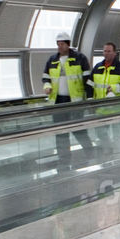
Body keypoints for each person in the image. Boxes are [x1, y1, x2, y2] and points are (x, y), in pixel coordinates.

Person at [42, 31, 92, 165]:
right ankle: (63, 159)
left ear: (68, 45)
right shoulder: (52, 60)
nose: (59, 47)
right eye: (58, 44)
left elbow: (88, 79)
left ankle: (90, 153)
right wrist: (47, 86)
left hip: (75, 101)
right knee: (60, 132)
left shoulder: (80, 58)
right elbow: (45, 78)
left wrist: (90, 99)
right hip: (58, 101)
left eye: (62, 44)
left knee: (79, 130)